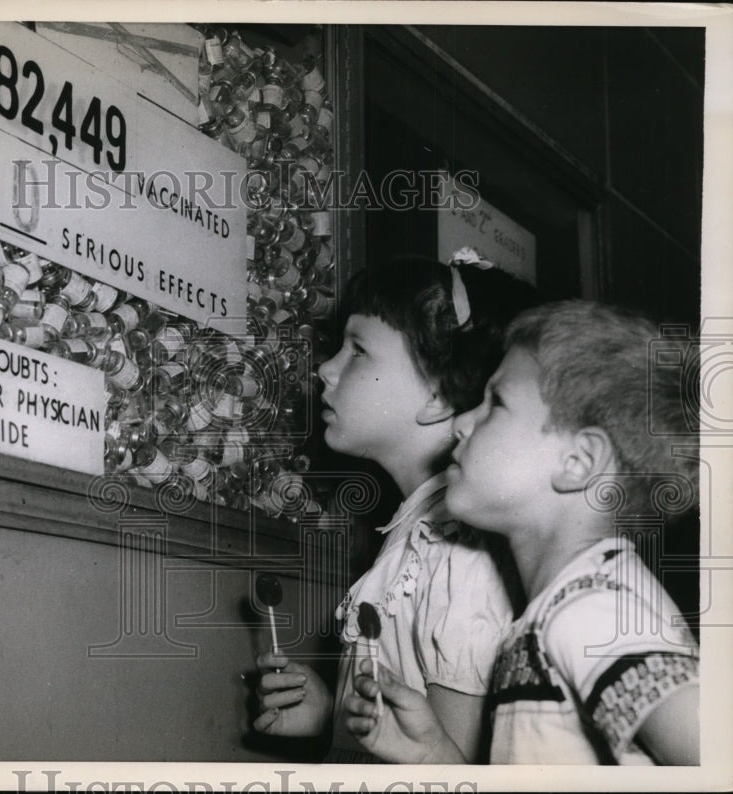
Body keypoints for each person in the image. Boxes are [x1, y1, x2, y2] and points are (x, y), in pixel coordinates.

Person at [343, 300, 700, 764]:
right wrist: (433, 755)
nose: (464, 422)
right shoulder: (553, 613)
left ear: (578, 462)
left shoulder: (593, 610)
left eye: (497, 403)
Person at [253, 252, 537, 762]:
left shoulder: (460, 555)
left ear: (438, 394)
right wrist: (332, 715)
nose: (325, 368)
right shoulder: (416, 532)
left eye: (358, 349)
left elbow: (454, 765)